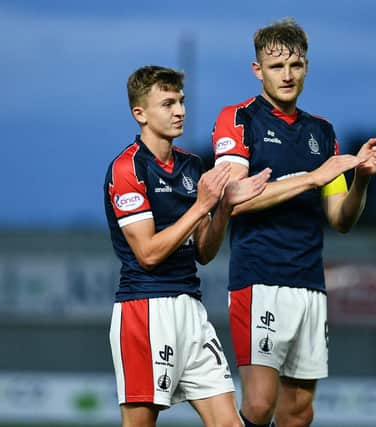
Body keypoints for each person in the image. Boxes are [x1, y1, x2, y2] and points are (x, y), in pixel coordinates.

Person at [211, 18, 376, 427]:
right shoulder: (238, 120)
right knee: (258, 405)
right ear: (258, 70)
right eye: (276, 67)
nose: (287, 75)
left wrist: (360, 179)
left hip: (309, 283)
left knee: (298, 413)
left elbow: (339, 218)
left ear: (307, 66)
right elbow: (233, 200)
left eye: (295, 65)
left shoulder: (323, 133)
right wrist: (311, 178)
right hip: (259, 279)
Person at [104, 65, 271, 427]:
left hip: (190, 311)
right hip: (145, 310)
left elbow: (204, 253)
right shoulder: (127, 169)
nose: (180, 110)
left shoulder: (193, 167)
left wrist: (223, 207)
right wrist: (200, 205)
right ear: (140, 114)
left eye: (181, 101)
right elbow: (147, 254)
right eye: (167, 103)